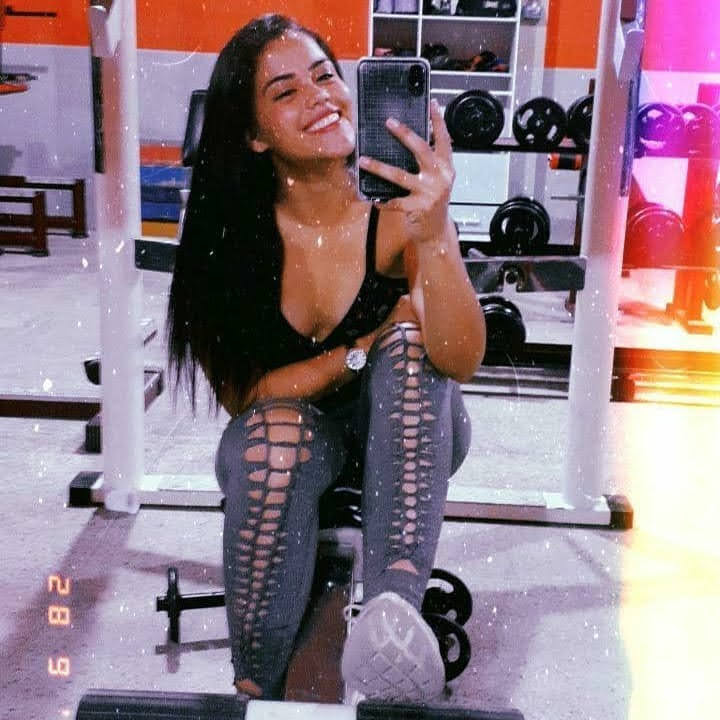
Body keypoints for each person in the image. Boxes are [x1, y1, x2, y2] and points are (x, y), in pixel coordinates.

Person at [166, 13, 486, 704]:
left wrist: (436, 231)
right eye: (286, 92)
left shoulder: (401, 212)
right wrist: (358, 351)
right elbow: (247, 396)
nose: (320, 98)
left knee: (411, 346)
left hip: (406, 429)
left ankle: (394, 615)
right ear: (254, 134)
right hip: (293, 439)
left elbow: (459, 360)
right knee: (276, 436)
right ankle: (254, 686)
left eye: (325, 76)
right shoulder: (232, 237)